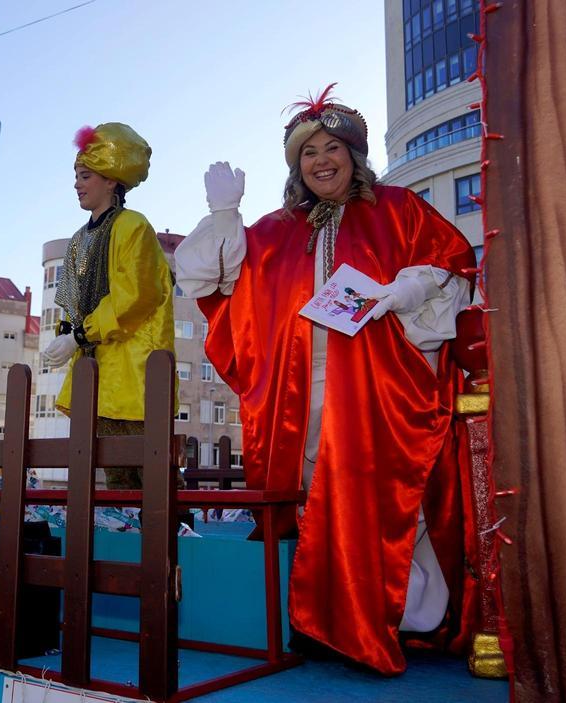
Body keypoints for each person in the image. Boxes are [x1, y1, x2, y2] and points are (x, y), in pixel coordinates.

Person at [174, 85, 477, 675]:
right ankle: (321, 622)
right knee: (314, 505)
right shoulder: (272, 230)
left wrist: (406, 290)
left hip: (375, 388)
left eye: (331, 147)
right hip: (296, 392)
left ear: (354, 155)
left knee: (387, 504)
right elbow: (213, 283)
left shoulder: (397, 208)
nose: (320, 160)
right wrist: (224, 216)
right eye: (308, 152)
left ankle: (394, 619)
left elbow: (454, 268)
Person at [40, 123, 176, 489]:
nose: (77, 184)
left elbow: (136, 295)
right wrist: (67, 333)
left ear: (112, 180)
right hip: (96, 377)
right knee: (116, 477)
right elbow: (71, 305)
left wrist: (80, 334)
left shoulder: (133, 227)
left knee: (151, 476)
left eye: (85, 175)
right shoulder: (77, 242)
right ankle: (127, 542)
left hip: (135, 374)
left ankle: (166, 540)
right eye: (76, 176)